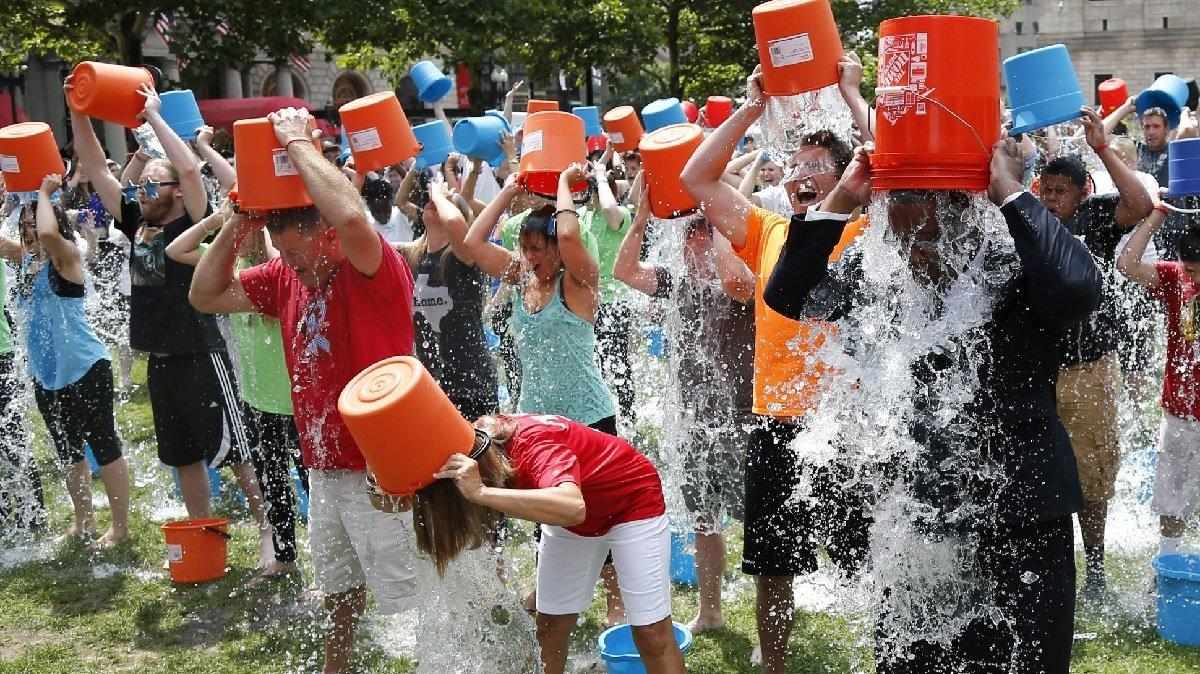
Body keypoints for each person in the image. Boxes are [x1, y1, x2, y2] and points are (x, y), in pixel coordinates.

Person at [763, 135, 1101, 672]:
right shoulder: (884, 282)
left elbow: (1077, 288)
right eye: (906, 240)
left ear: (968, 216)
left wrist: (1011, 191)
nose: (918, 252)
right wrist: (844, 199)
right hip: (923, 518)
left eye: (930, 237)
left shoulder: (1012, 269)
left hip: (1023, 517)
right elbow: (788, 293)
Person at [189, 107, 421, 674]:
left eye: (297, 250)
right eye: (282, 251)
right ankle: (334, 668)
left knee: (410, 597)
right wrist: (241, 221)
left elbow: (353, 216)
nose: (290, 263)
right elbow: (204, 294)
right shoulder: (283, 276)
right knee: (339, 589)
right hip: (324, 464)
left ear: (325, 234)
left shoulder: (372, 266)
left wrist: (296, 144)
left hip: (383, 463)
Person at [679, 63, 868, 674]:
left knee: (867, 559)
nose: (804, 176)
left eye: (819, 167)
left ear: (845, 179)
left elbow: (890, 163)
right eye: (799, 166)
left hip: (847, 425)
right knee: (772, 562)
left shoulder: (865, 228)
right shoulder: (768, 228)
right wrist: (751, 108)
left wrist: (851, 94)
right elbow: (694, 176)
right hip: (775, 420)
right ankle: (775, 667)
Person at [67, 80, 270, 552]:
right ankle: (205, 538)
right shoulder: (137, 221)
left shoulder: (189, 215)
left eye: (151, 183)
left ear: (177, 192)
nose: (140, 189)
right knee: (182, 456)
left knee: (235, 450)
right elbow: (96, 166)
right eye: (140, 184)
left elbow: (191, 171)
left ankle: (268, 530)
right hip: (159, 356)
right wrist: (78, 112)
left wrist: (155, 116)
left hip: (202, 350)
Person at [464, 166, 626, 623]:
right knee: (545, 513)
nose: (529, 256)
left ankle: (615, 603)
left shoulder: (578, 283)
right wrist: (510, 190)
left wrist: (564, 185)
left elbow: (573, 235)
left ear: (557, 248)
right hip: (536, 421)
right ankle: (549, 591)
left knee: (598, 512)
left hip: (588, 419)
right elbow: (473, 244)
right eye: (525, 248)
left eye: (538, 248)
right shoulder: (520, 280)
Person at [417, 413, 686, 674]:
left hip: (632, 500)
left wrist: (481, 493)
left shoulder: (533, 447)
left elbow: (572, 506)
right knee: (550, 627)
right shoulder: (467, 447)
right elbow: (393, 500)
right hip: (575, 515)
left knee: (651, 634)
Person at [613, 186, 755, 633]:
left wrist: (716, 225)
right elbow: (624, 271)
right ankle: (710, 611)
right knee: (704, 520)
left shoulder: (741, 285)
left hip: (741, 422)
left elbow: (739, 282)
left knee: (755, 523)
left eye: (703, 235)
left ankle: (759, 621)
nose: (694, 244)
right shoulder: (675, 285)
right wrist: (640, 217)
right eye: (690, 235)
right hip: (694, 422)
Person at [1036, 125, 1153, 600]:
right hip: (1040, 370)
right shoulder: (1030, 222)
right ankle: (1052, 566)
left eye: (1061, 192)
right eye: (1045, 191)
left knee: (1093, 472)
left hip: (1089, 368)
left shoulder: (1099, 217)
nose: (1051, 200)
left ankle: (1098, 569)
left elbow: (1141, 203)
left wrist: (1102, 147)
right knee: (1044, 470)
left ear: (1083, 193)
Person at [166, 210, 309, 579]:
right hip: (258, 399)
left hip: (293, 400)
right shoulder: (230, 268)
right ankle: (284, 556)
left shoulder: (277, 270)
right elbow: (176, 250)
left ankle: (333, 557)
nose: (237, 240)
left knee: (311, 480)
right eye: (236, 232)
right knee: (272, 481)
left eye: (245, 231)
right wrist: (221, 221)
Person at [15, 175, 131, 548]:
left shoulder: (66, 257)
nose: (31, 231)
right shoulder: (22, 266)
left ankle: (120, 527)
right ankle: (83, 519)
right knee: (67, 451)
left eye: (36, 222)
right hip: (47, 376)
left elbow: (50, 236)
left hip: (86, 366)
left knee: (104, 445)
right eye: (25, 225)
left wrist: (44, 193)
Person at [1116, 202, 1200, 561]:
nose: (1193, 279)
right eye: (1189, 270)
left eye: (1198, 272)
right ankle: (1167, 565)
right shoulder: (1174, 278)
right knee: (1171, 497)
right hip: (1180, 411)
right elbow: (1127, 264)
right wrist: (1157, 215)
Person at [395, 179, 499, 420]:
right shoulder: (412, 257)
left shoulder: (462, 256)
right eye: (431, 200)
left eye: (448, 201)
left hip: (472, 383)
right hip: (434, 387)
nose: (435, 201)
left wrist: (439, 195)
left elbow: (453, 222)